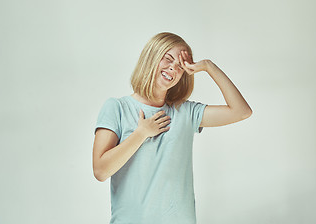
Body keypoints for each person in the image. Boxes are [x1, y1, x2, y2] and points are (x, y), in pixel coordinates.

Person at [92, 32, 252, 224]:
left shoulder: (185, 112)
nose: (173, 68)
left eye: (180, 66)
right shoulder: (117, 107)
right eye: (168, 58)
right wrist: (141, 133)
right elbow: (100, 171)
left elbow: (241, 111)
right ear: (151, 57)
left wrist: (208, 67)